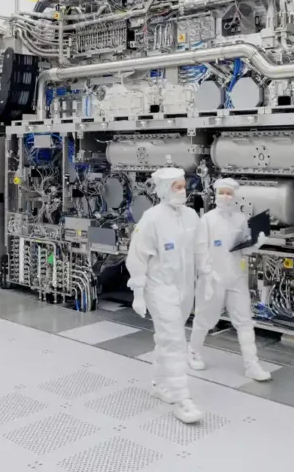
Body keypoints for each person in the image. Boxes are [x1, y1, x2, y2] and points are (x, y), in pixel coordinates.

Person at [126, 167, 203, 423]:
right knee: (175, 342)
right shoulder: (151, 219)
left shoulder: (191, 216)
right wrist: (138, 291)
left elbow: (200, 248)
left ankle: (160, 383)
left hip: (185, 288)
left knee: (167, 339)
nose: (182, 191)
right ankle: (183, 400)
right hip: (160, 288)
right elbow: (137, 256)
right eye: (176, 187)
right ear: (163, 190)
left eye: (183, 186)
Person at [188, 178, 272, 382]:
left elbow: (243, 247)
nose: (225, 197)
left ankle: (251, 365)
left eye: (229, 193)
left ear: (234, 196)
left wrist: (257, 244)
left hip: (236, 277)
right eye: (222, 193)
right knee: (204, 319)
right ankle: (193, 353)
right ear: (216, 195)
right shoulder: (207, 219)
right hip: (212, 278)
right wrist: (207, 274)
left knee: (244, 321)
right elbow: (199, 250)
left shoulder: (240, 219)